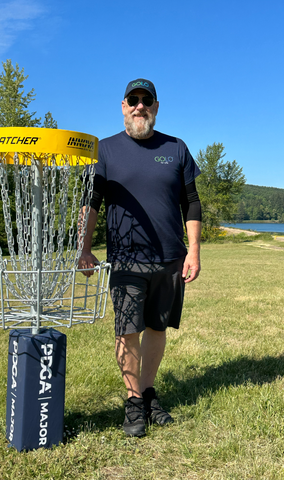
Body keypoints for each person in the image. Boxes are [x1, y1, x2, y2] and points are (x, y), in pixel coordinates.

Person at [79, 78, 202, 437]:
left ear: (156, 107)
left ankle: (148, 394)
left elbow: (191, 202)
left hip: (170, 260)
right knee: (128, 330)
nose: (139, 106)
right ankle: (133, 402)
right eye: (133, 100)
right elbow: (92, 203)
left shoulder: (176, 148)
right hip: (125, 261)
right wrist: (84, 249)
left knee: (157, 328)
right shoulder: (104, 150)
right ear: (123, 106)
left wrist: (193, 250)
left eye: (146, 100)